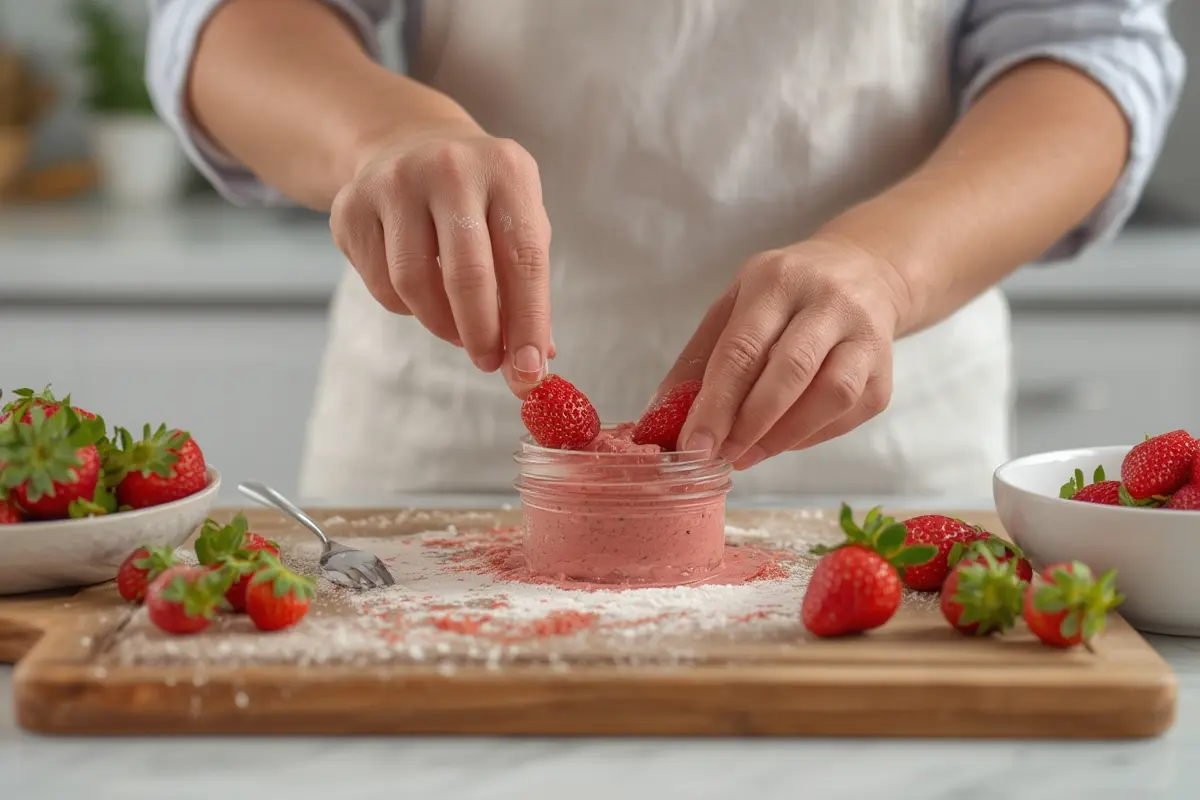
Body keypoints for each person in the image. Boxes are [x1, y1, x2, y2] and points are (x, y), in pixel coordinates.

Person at [147, 0, 1184, 501]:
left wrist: (888, 268)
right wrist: (381, 135)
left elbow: (1085, 47)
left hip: (871, 459)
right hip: (449, 454)